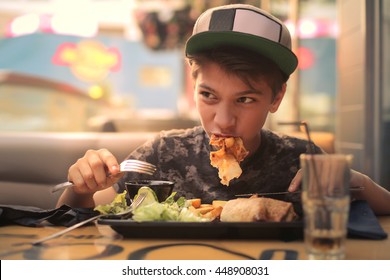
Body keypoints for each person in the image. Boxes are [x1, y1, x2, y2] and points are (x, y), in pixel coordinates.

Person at [57, 4, 390, 215]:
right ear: (194, 85)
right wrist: (81, 189)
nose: (224, 121)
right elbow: (79, 216)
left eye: (245, 99)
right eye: (209, 95)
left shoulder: (302, 161)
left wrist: (355, 181)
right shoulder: (162, 153)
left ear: (276, 98)